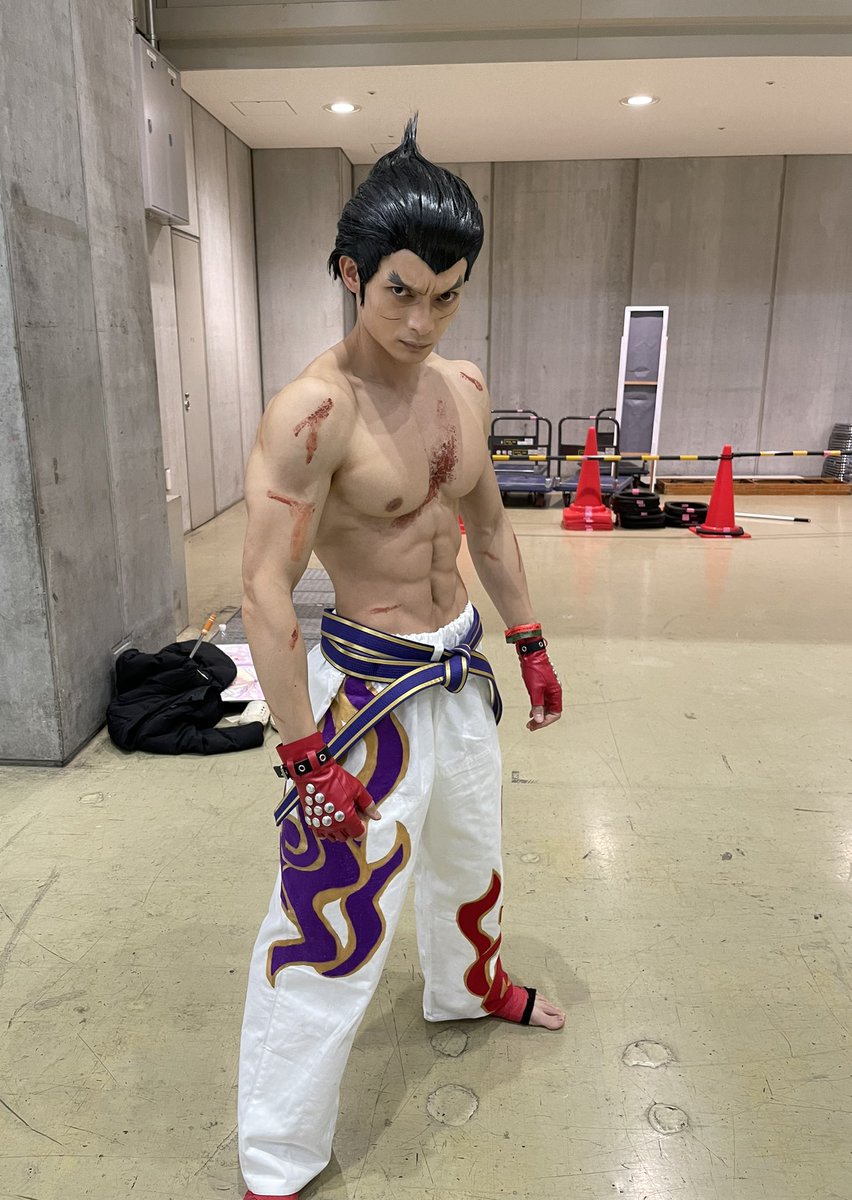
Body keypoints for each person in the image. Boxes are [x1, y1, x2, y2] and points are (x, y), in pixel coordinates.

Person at [238, 117, 564, 1200]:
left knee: (473, 857)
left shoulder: (461, 387)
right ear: (351, 274)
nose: (423, 322)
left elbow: (491, 529)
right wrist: (302, 755)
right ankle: (277, 1156)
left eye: (447, 296)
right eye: (401, 294)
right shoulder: (313, 413)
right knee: (327, 924)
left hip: (459, 672)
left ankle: (471, 989)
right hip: (366, 703)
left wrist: (528, 640)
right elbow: (264, 590)